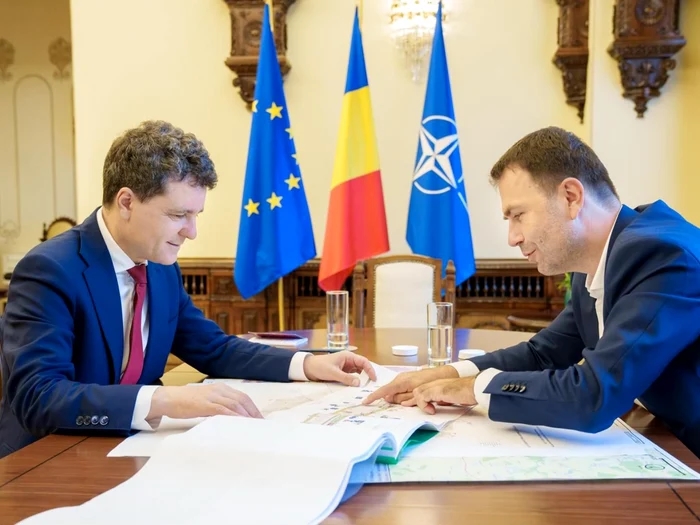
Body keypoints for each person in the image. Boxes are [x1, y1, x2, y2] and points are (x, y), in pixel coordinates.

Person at [0, 120, 376, 459]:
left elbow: (213, 348)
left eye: (195, 216)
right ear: (126, 202)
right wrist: (164, 399)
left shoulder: (160, 267)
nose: (191, 232)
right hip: (45, 458)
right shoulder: (51, 269)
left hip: (130, 451)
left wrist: (306, 364)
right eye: (178, 215)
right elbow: (38, 396)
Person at [364, 126, 700, 459]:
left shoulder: (662, 256)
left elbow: (595, 396)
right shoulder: (599, 259)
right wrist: (447, 374)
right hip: (664, 438)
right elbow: (543, 354)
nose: (513, 237)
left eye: (518, 215)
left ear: (571, 197)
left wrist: (472, 389)